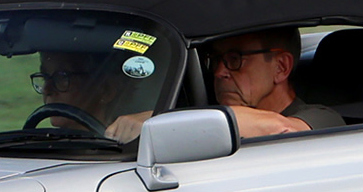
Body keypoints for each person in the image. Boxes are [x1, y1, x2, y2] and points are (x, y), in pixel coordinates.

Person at [93, 28, 343, 141]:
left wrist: (159, 121)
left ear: (281, 67)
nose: (220, 72)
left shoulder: (322, 120)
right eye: (215, 60)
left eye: (235, 60)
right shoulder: (208, 116)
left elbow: (282, 129)